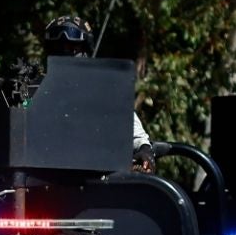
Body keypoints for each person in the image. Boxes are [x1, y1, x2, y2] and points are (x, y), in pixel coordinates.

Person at [36, 14, 154, 171]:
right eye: (58, 48)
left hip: (94, 177)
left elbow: (133, 132)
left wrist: (144, 150)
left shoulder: (103, 92)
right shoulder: (35, 89)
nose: (65, 53)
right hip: (40, 174)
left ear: (85, 51)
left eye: (72, 47)